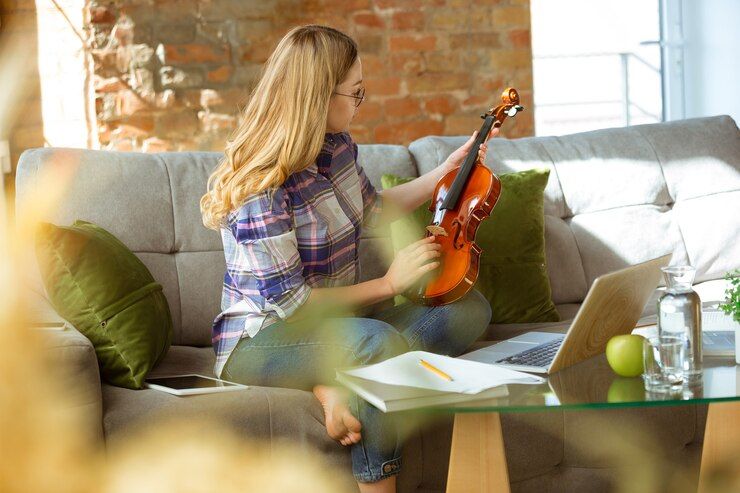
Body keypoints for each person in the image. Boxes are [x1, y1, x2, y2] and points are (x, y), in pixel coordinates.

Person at [200, 24, 497, 493]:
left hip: (340, 324)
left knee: (467, 307)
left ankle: (338, 381)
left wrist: (444, 172)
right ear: (318, 95)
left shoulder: (337, 146)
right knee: (378, 345)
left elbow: (372, 208)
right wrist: (389, 285)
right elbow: (292, 305)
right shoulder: (260, 185)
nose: (361, 103)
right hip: (262, 339)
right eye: (355, 93)